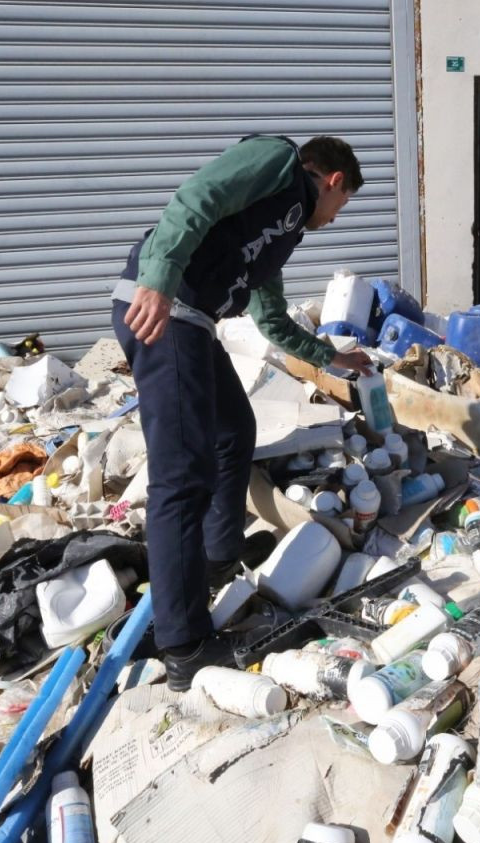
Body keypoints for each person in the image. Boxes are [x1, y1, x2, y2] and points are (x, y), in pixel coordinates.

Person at [112, 135, 373, 690]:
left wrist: (334, 358)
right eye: (342, 205)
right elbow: (196, 196)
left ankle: (215, 558)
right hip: (164, 310)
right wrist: (157, 280)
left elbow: (272, 320)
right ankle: (185, 645)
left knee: (234, 432)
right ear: (333, 181)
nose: (335, 218)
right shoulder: (277, 162)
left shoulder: (279, 232)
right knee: (181, 475)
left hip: (193, 323)